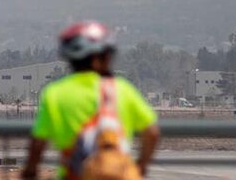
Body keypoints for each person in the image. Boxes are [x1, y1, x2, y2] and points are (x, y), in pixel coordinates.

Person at [22, 21, 160, 179]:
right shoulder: (122, 89)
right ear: (98, 58)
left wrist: (30, 171)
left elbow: (38, 142)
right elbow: (152, 132)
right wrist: (141, 165)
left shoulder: (54, 93)